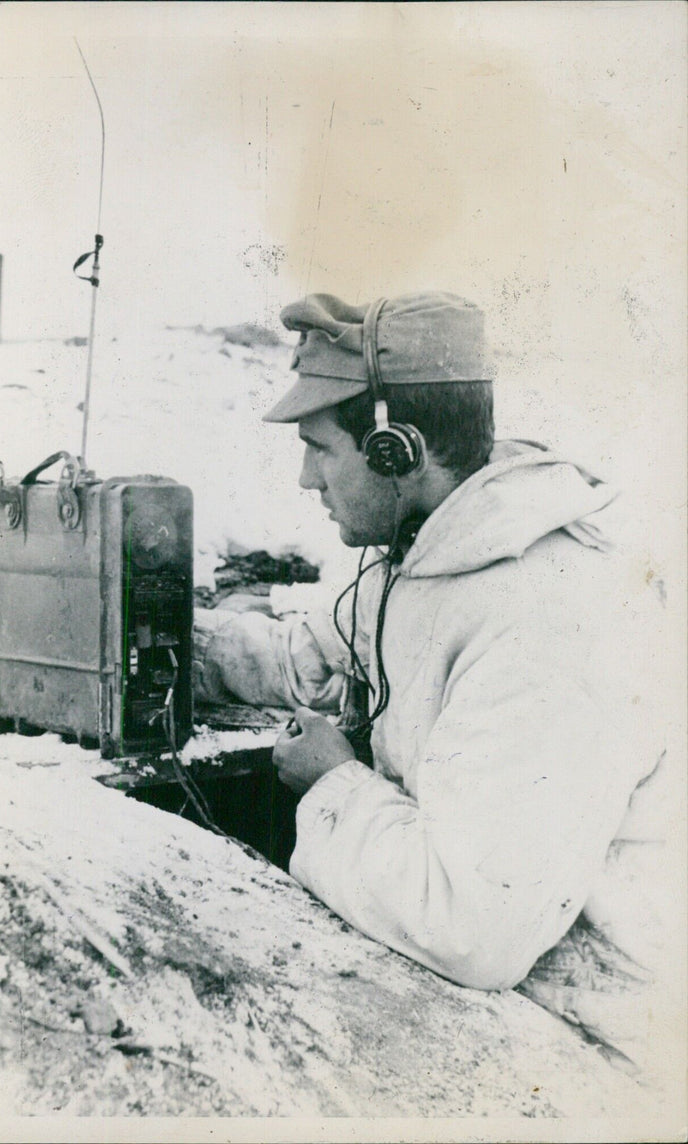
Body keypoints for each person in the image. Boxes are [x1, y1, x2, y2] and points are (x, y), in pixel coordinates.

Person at [193, 292, 670, 1072]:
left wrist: (333, 784)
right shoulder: (425, 551)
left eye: (319, 448)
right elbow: (312, 655)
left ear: (396, 452)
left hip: (588, 1043)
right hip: (495, 993)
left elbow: (472, 927)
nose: (305, 479)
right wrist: (189, 645)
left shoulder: (546, 618)